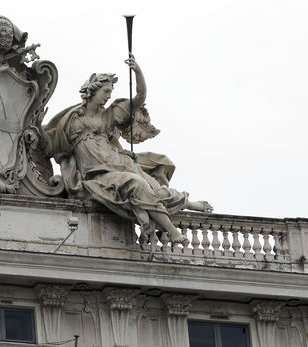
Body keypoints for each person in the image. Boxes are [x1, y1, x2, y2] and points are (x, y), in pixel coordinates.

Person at [45, 56, 212, 244]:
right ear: (93, 90)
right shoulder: (71, 119)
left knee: (153, 189)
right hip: (97, 174)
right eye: (106, 91)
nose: (108, 96)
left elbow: (139, 98)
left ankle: (187, 202)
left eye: (110, 92)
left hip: (119, 163)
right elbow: (50, 143)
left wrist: (138, 72)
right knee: (137, 184)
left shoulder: (108, 115)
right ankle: (172, 231)